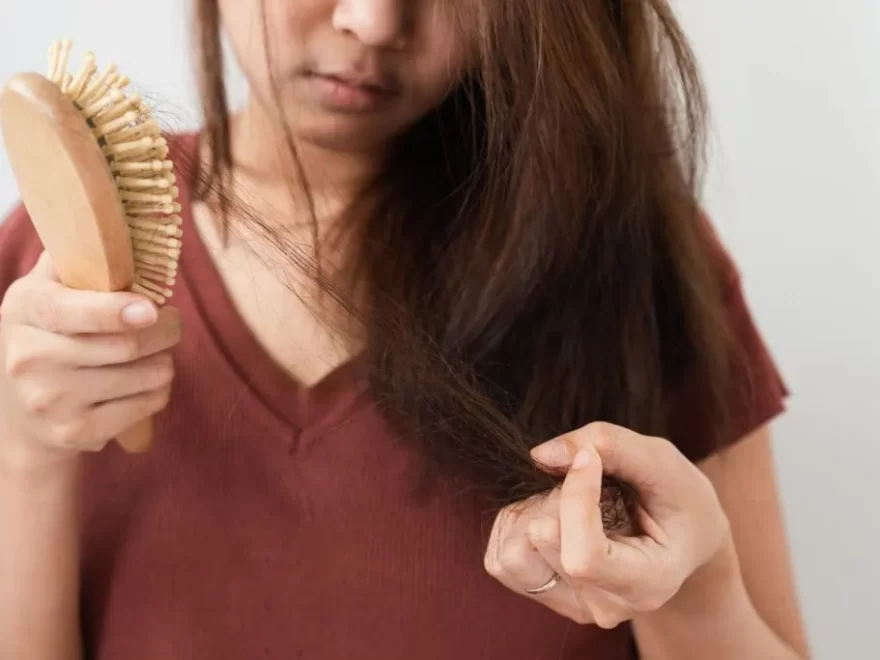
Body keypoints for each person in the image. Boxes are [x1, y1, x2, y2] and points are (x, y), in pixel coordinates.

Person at [0, 1, 811, 658]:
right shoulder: (50, 260)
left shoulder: (633, 265)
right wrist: (25, 455)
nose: (375, 21)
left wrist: (698, 588)